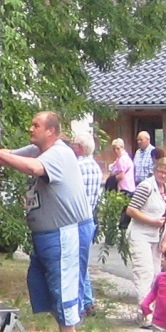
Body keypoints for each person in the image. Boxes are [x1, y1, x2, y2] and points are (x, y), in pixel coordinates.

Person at [0, 111, 94, 332]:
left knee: (63, 286)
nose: (31, 128)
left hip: (65, 231)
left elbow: (34, 168)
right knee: (39, 285)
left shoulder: (59, 153)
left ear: (51, 131)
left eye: (36, 125)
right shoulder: (36, 149)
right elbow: (11, 155)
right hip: (45, 234)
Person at [126, 157, 166, 328]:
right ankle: (145, 314)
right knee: (144, 273)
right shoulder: (146, 186)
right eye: (160, 171)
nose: (163, 175)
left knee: (156, 274)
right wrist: (151, 221)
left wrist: (165, 240)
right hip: (141, 234)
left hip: (157, 237)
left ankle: (153, 311)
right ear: (155, 171)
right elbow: (131, 210)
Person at [71, 130, 102, 314]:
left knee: (75, 263)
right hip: (89, 218)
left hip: (75, 219)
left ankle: (81, 303)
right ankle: (88, 300)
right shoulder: (96, 167)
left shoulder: (76, 167)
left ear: (80, 148)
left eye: (74, 144)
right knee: (82, 261)